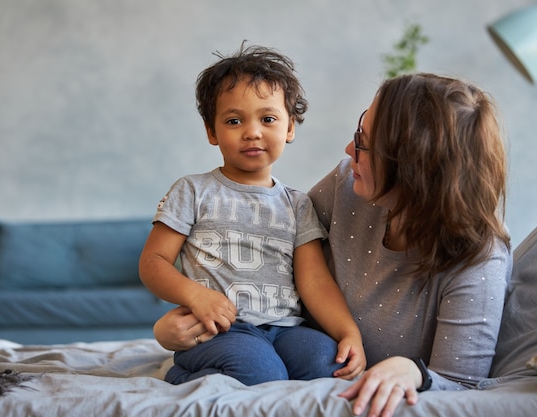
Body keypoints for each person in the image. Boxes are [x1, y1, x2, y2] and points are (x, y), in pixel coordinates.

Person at [152, 73, 512, 417]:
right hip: (248, 341)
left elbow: (464, 386)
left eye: (364, 144)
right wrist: (175, 321)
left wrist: (413, 372)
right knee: (257, 370)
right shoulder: (345, 185)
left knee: (315, 363)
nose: (347, 149)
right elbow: (268, 253)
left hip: (300, 351)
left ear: (413, 168)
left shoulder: (478, 262)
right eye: (359, 130)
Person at [138, 44, 366, 387]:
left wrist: (349, 333)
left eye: (268, 118)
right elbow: (153, 262)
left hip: (285, 330)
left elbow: (315, 281)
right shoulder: (193, 190)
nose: (252, 131)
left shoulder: (298, 204)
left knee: (328, 366)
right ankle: (180, 374)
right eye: (234, 120)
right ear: (211, 132)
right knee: (260, 373)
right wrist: (195, 296)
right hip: (219, 330)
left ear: (290, 128)